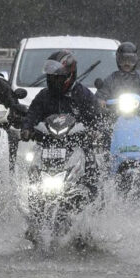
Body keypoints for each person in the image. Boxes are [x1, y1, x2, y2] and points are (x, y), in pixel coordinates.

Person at [21, 50, 101, 192]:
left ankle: (94, 198)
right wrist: (26, 128)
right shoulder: (44, 95)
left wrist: (94, 131)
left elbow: (96, 116)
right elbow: (32, 113)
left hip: (77, 143)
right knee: (30, 167)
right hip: (47, 143)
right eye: (50, 77)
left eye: (57, 77)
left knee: (92, 165)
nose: (52, 80)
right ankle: (31, 195)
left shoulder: (83, 94)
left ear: (69, 76)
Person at [95, 41, 140, 149]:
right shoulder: (112, 78)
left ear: (136, 61)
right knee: (106, 134)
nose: (127, 64)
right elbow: (102, 92)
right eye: (123, 61)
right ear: (118, 60)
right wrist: (100, 100)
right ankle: (108, 162)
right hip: (115, 120)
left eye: (130, 61)